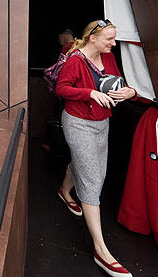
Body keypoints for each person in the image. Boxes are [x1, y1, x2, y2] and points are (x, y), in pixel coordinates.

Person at [54, 20, 136, 277]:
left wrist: (130, 92)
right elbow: (62, 88)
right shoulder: (75, 61)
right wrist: (89, 93)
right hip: (78, 124)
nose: (114, 43)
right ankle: (101, 251)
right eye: (109, 39)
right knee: (92, 181)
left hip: (102, 124)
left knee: (85, 167)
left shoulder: (108, 57)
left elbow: (117, 82)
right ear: (92, 38)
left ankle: (64, 190)